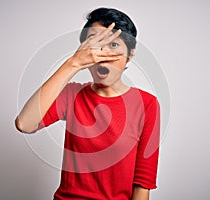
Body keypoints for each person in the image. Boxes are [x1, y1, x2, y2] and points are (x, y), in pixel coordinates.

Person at [15, 7, 160, 200]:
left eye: (114, 44)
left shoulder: (147, 104)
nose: (102, 53)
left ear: (130, 55)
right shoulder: (71, 94)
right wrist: (73, 63)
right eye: (95, 43)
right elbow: (25, 124)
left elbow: (143, 184)